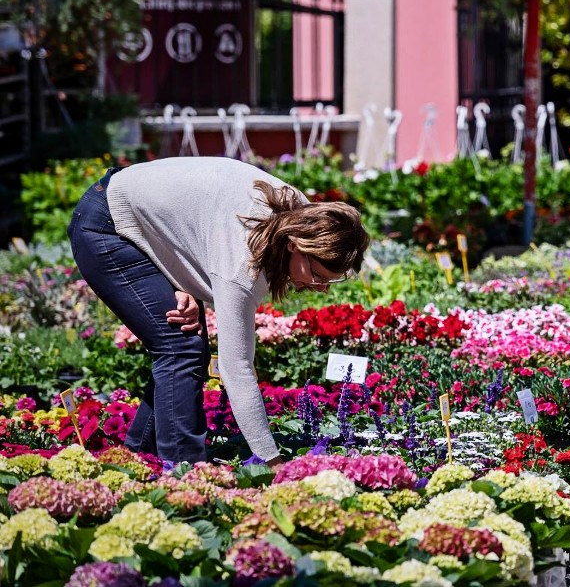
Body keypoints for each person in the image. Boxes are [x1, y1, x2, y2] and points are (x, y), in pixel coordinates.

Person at [68, 156, 370, 467]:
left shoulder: (304, 216)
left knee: (184, 344)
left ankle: (136, 461)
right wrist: (272, 461)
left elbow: (196, 226)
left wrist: (179, 283)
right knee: (180, 347)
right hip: (107, 223)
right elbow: (236, 370)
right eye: (317, 275)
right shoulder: (241, 266)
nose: (320, 287)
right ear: (295, 245)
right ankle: (183, 475)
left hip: (142, 218)